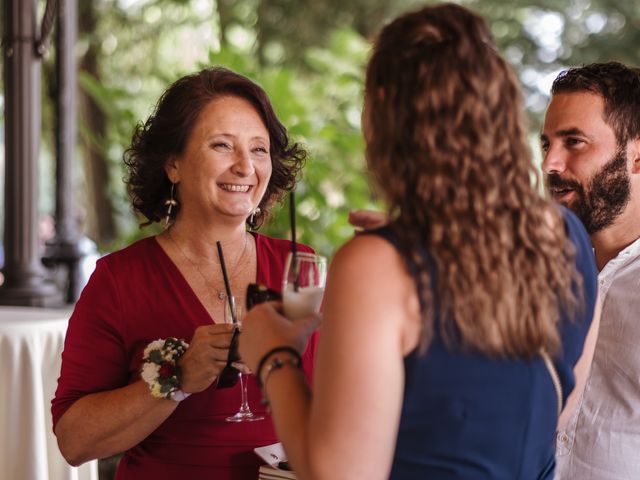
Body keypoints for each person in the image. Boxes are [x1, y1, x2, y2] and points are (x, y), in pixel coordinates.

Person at [238, 4, 601, 479]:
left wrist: (274, 354)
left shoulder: (375, 266)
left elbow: (338, 475)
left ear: (384, 111)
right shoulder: (565, 234)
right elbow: (556, 406)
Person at [51, 67, 318, 480]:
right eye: (222, 146)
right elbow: (74, 441)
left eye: (259, 149)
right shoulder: (119, 281)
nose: (246, 166)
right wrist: (175, 380)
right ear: (173, 164)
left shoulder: (300, 267)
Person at [540, 61, 640, 479]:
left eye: (574, 142)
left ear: (636, 158)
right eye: (545, 144)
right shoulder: (530, 270)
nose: (550, 164)